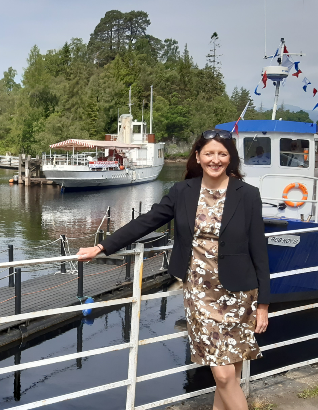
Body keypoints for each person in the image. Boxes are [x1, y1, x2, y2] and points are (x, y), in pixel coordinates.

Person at [76, 129, 270, 410]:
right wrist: (102, 247)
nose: (215, 160)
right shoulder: (183, 192)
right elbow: (146, 222)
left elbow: (259, 251)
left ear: (231, 158)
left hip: (240, 293)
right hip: (201, 293)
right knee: (223, 374)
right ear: (198, 156)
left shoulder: (248, 195)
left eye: (222, 154)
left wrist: (263, 304)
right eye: (209, 153)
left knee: (230, 375)